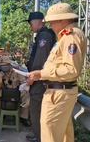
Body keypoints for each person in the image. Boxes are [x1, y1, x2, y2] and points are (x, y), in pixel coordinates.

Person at [26, 3, 87, 142]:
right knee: (64, 135)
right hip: (59, 92)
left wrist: (41, 74)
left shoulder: (70, 36)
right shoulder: (67, 35)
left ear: (62, 20)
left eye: (52, 22)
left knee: (50, 135)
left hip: (59, 93)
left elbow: (71, 69)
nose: (50, 26)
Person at [24, 11, 56, 142]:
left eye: (31, 24)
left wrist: (32, 78)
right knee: (38, 111)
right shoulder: (42, 35)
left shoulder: (44, 36)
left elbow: (40, 61)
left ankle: (40, 138)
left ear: (39, 21)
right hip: (40, 79)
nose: (30, 27)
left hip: (40, 81)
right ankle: (40, 137)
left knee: (36, 110)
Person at [0, 56, 31, 127]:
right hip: (5, 92)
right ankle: (0, 115)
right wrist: (0, 77)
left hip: (16, 91)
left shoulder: (17, 71)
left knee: (26, 94)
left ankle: (23, 117)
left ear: (9, 65)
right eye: (1, 65)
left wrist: (24, 87)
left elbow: (23, 82)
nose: (3, 67)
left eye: (5, 65)